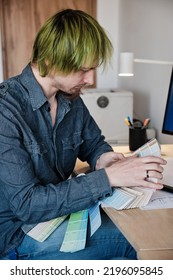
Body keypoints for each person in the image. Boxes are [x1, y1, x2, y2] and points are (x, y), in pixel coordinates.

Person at [0, 9, 166, 260]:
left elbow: (94, 144)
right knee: (142, 244)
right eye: (82, 69)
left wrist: (104, 159)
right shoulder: (6, 109)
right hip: (19, 233)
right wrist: (108, 177)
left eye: (93, 69)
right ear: (49, 60)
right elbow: (27, 205)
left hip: (57, 216)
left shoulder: (70, 97)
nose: (90, 79)